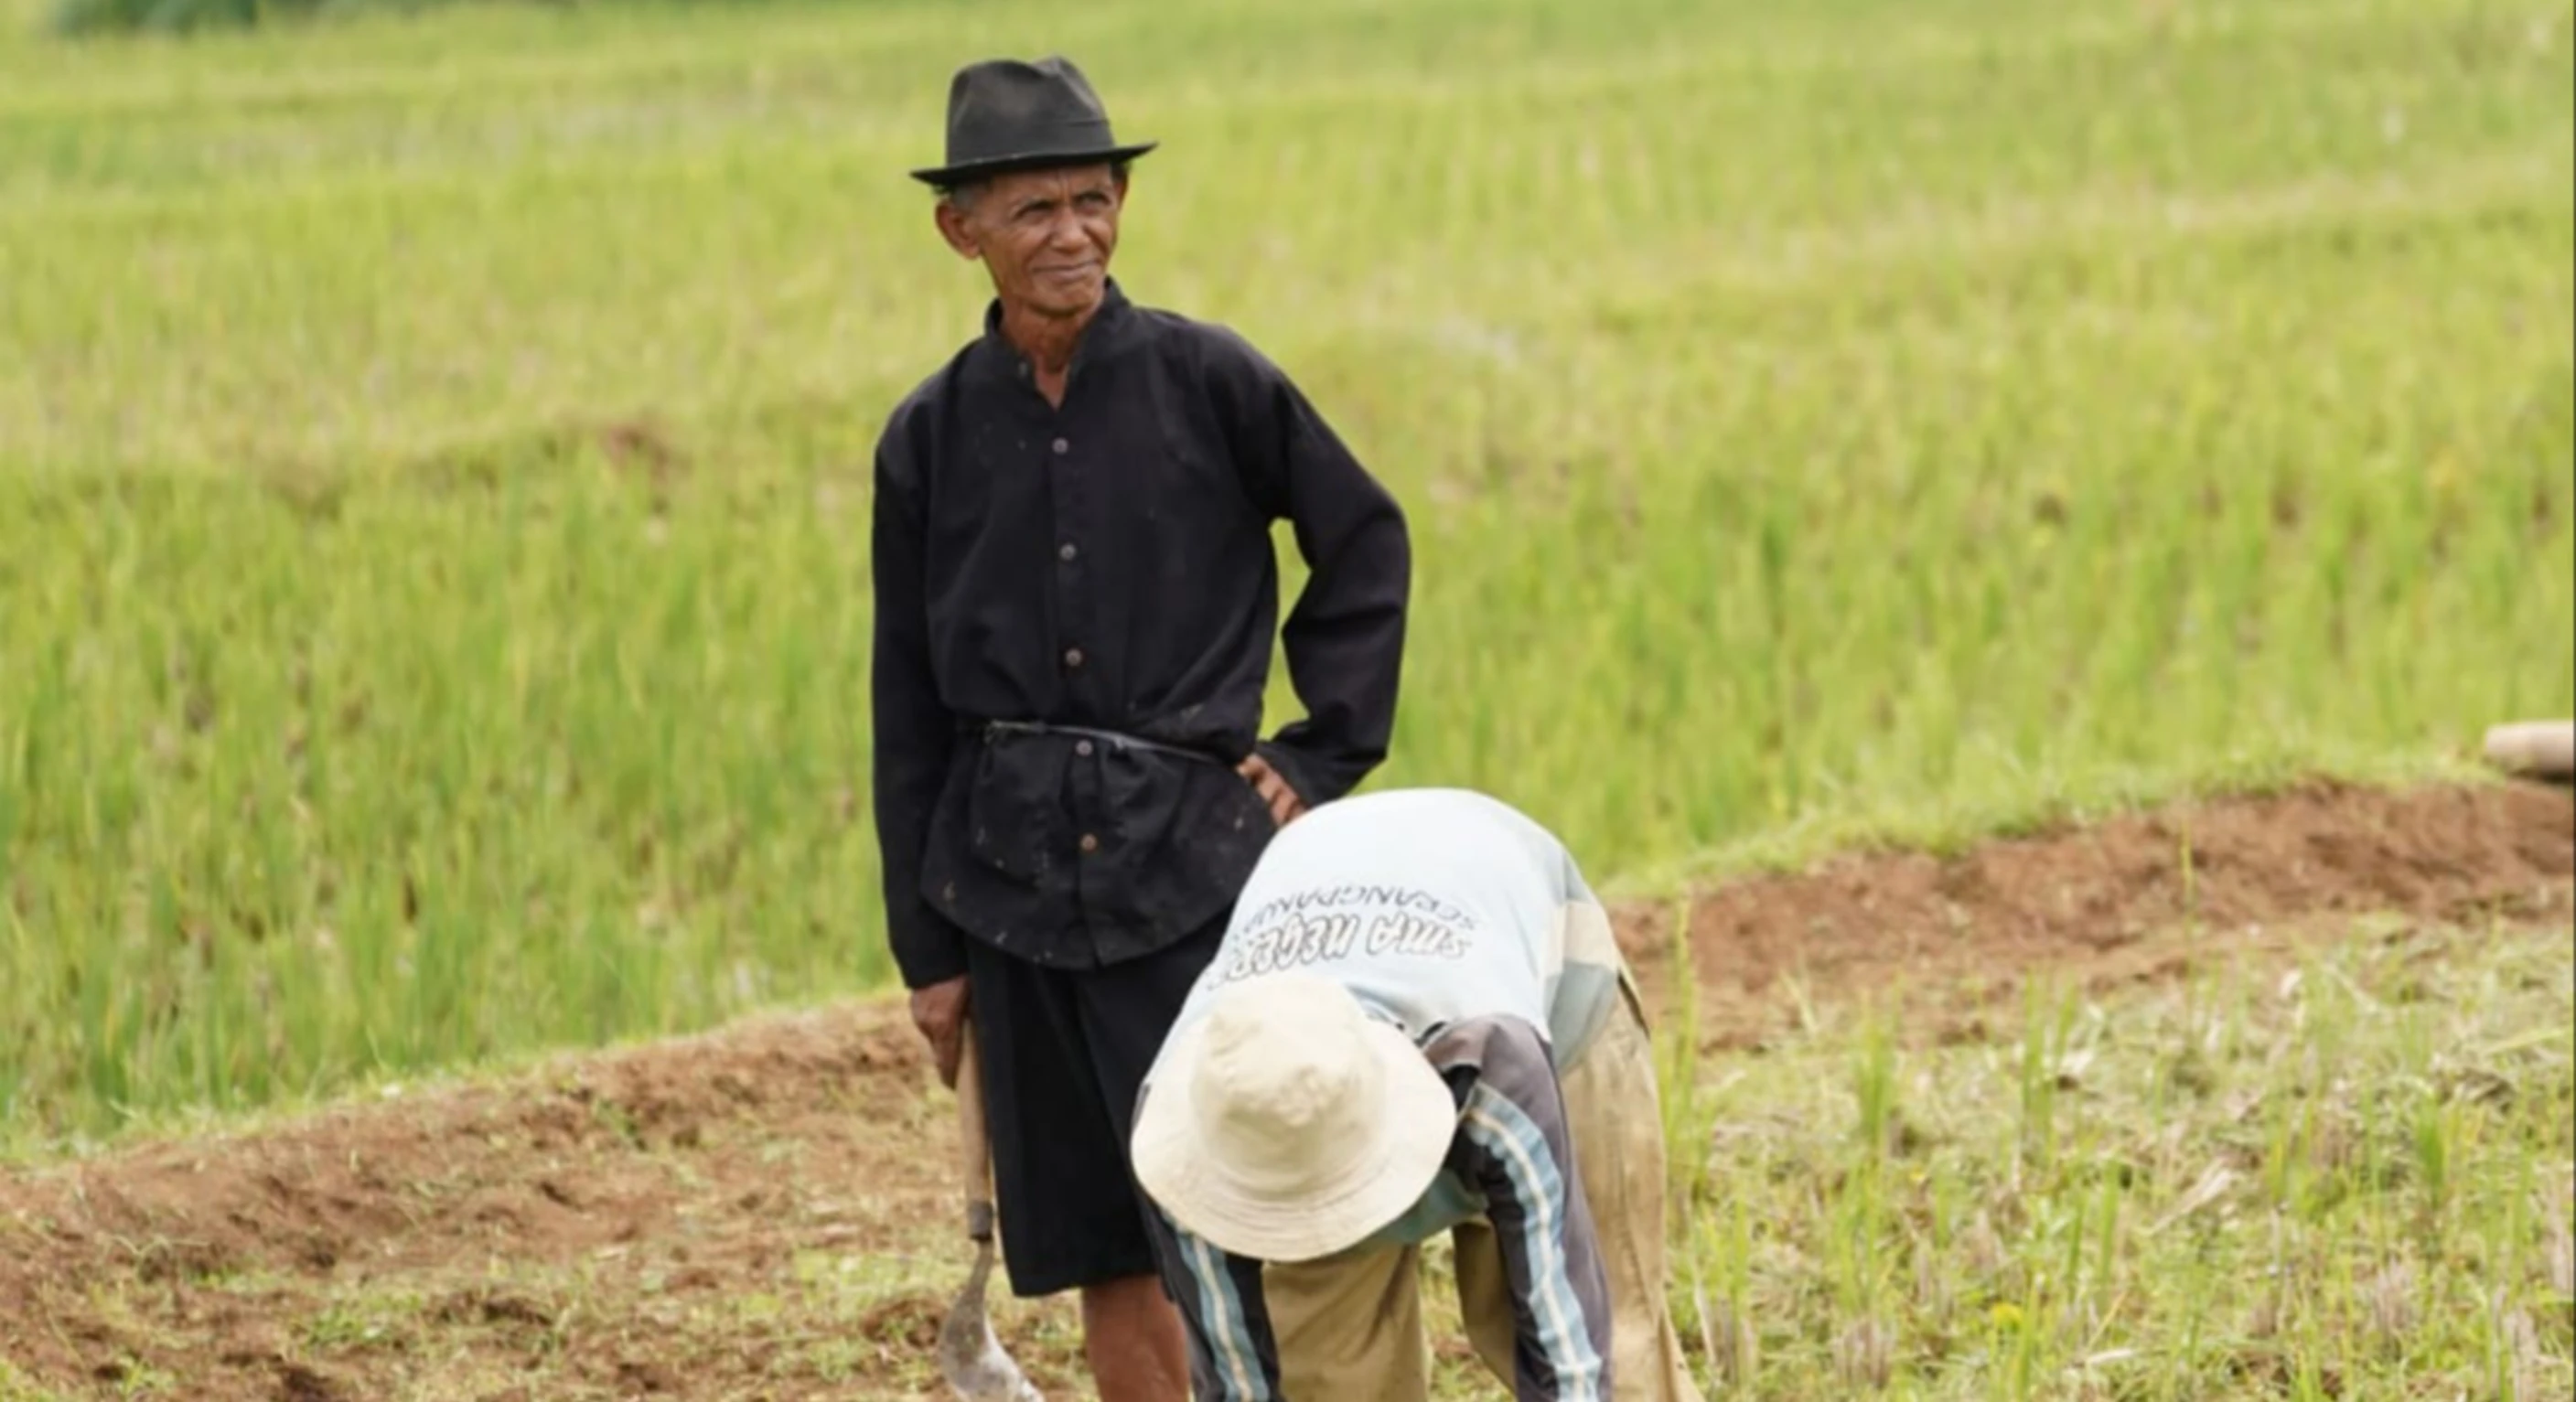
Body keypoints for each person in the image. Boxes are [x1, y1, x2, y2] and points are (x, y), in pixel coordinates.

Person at [868, 53, 1413, 1402]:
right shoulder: (927, 439)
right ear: (963, 230)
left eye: (1094, 200)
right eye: (1037, 209)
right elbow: (904, 699)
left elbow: (1364, 544)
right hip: (1010, 895)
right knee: (1111, 1247)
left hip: (1192, 876)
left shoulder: (1211, 382)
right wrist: (929, 951)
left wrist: (1315, 754)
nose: (1074, 233)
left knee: (1236, 1213)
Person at [1128, 788, 1708, 1402]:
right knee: (1322, 1380)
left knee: (1617, 1358)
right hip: (1332, 908)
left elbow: (1573, 1362)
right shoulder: (1190, 1133)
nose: (1327, 1219)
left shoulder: (1495, 1067)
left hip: (1549, 1004)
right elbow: (1238, 1382)